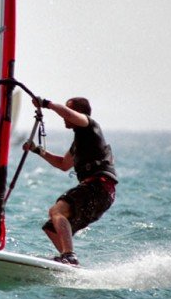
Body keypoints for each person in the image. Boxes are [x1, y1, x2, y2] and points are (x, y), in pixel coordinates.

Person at [23, 96, 117, 266]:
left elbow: (67, 113)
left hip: (99, 186)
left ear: (78, 113)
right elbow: (63, 164)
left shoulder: (89, 125)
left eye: (69, 111)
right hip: (102, 194)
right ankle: (70, 265)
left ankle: (69, 255)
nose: (64, 117)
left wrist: (46, 104)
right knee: (52, 227)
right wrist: (37, 150)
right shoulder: (79, 142)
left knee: (56, 211)